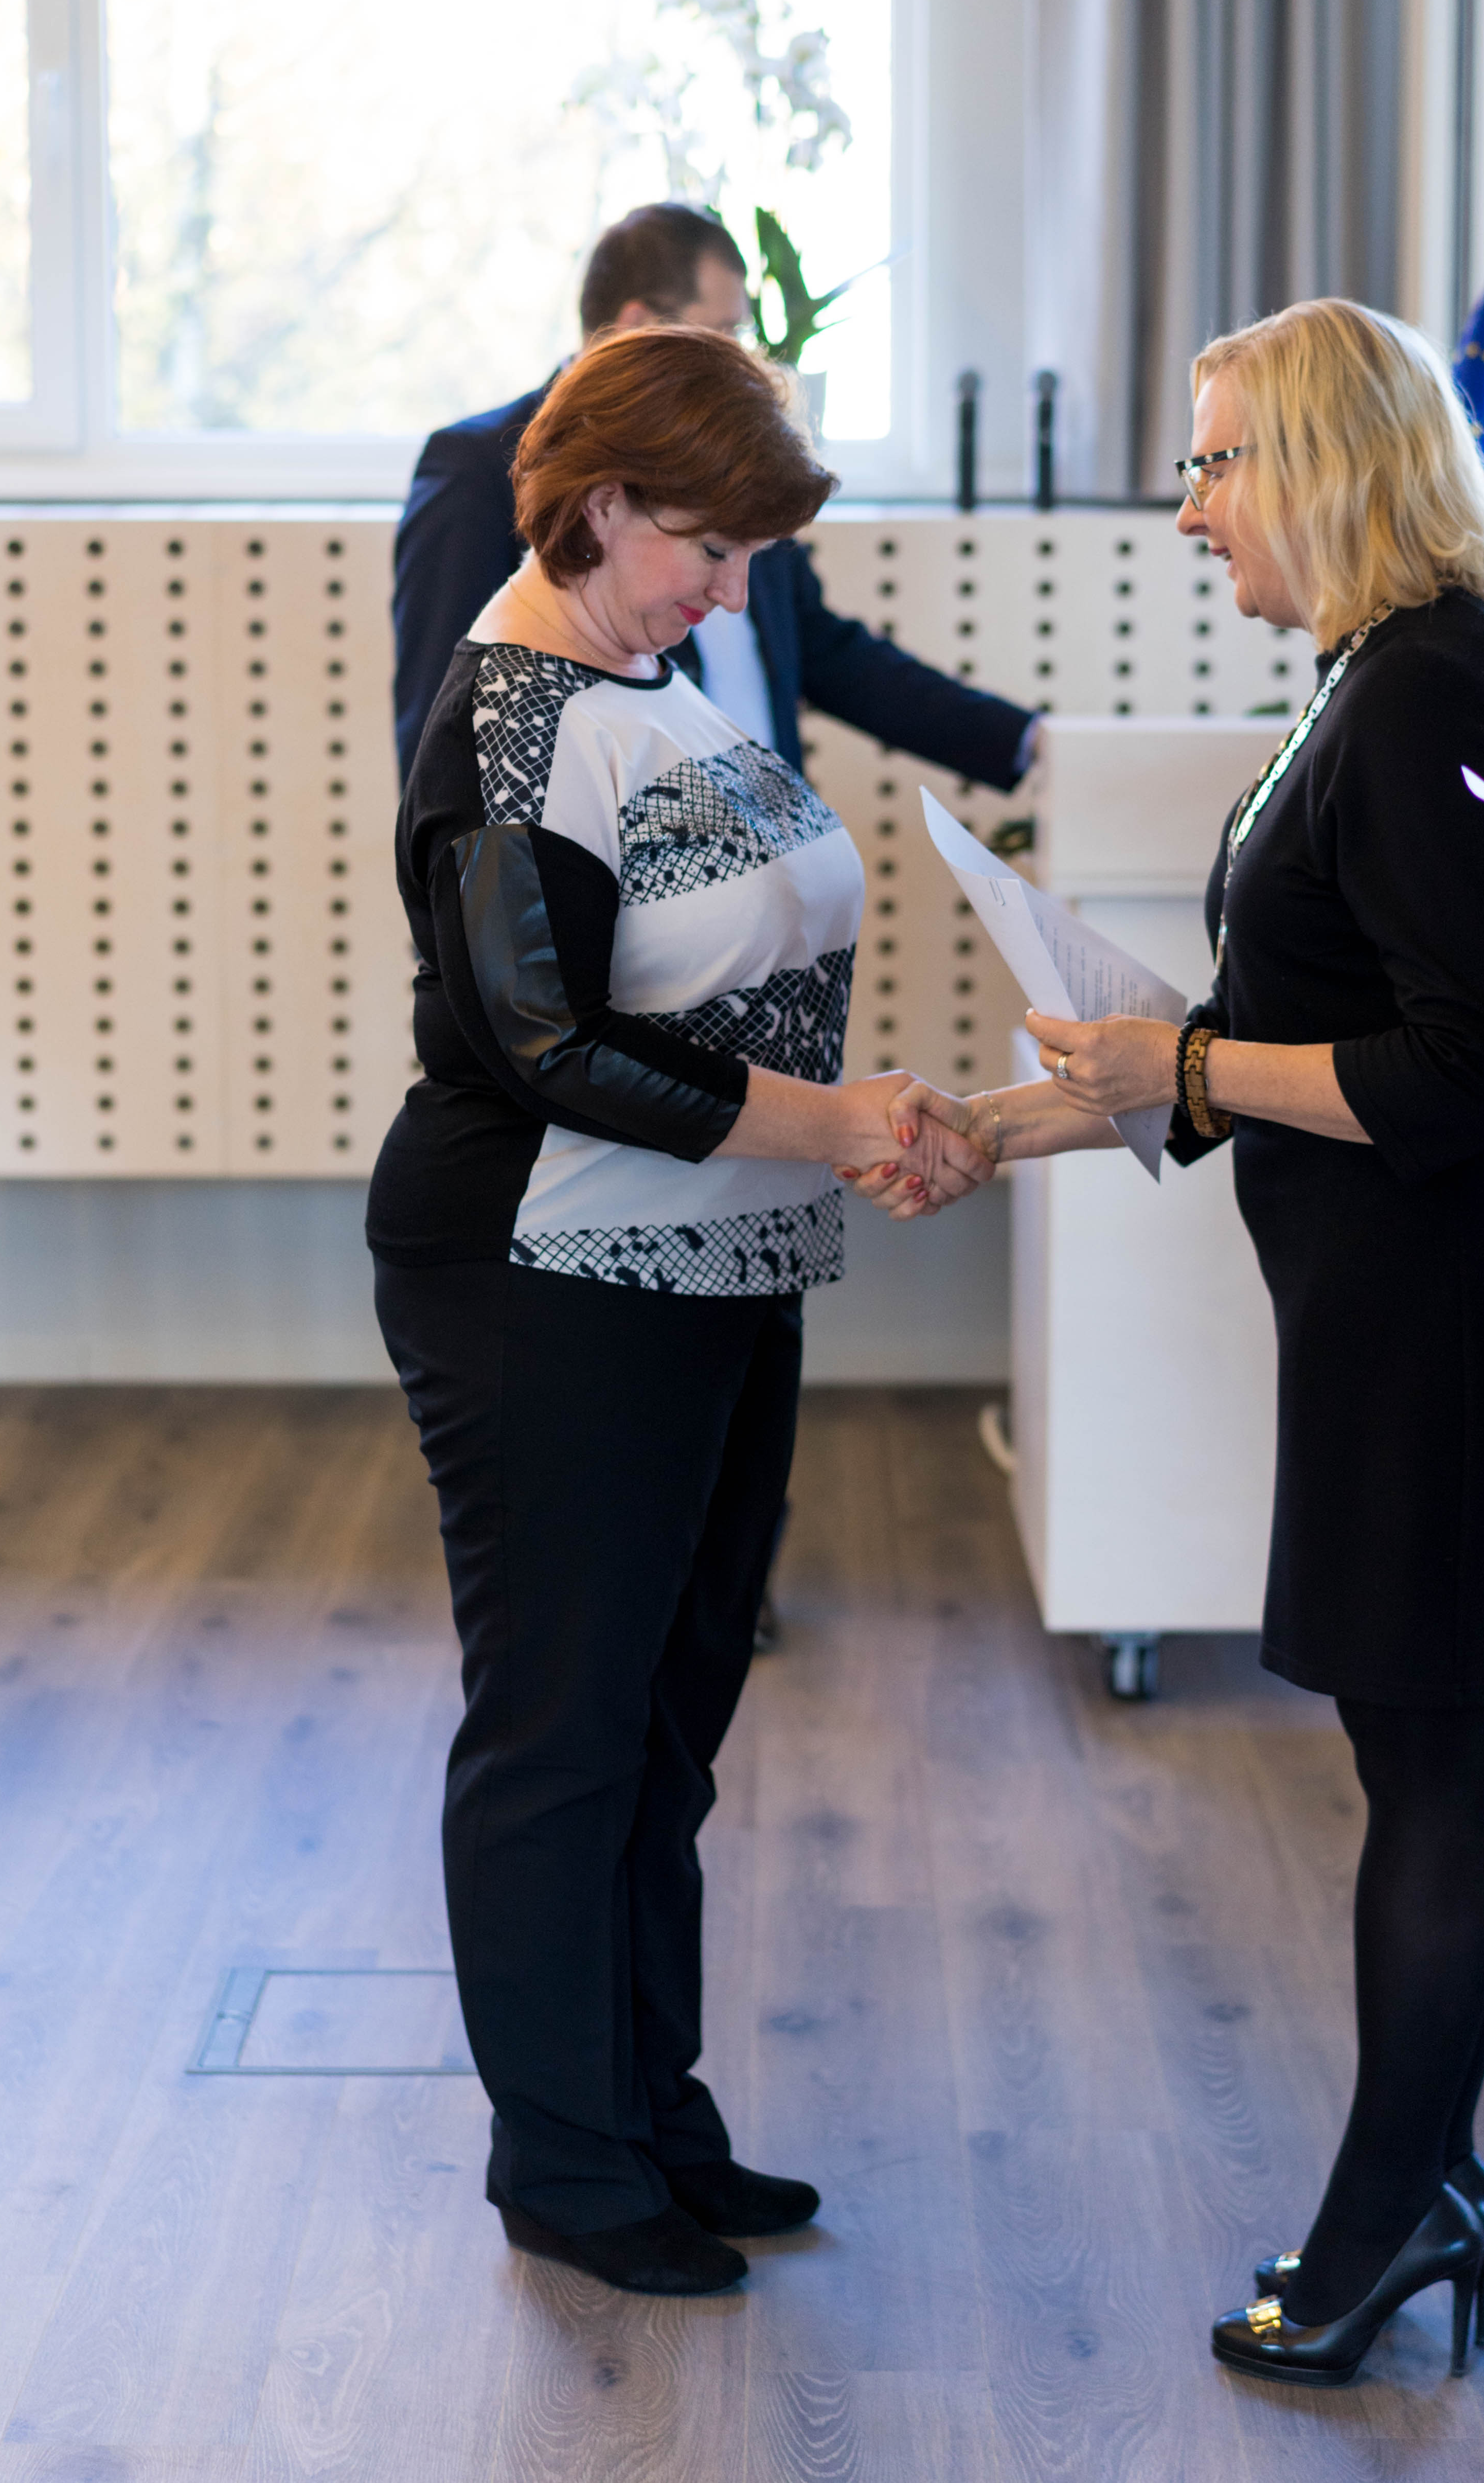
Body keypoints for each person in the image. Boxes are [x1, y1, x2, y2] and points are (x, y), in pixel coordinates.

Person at [872, 300, 1484, 2389]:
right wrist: (1007, 1121)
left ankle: (1387, 2216)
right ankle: (1427, 2187)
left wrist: (1181, 1061)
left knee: (1434, 1755)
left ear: (1322, 462)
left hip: (1436, 1323)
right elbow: (1281, 1040)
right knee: (1436, 1746)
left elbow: (1460, 1066)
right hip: (1397, 1311)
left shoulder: (1428, 685)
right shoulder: (1378, 674)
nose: (1189, 509)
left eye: (1212, 463)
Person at [367, 327, 988, 2301]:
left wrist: (843, 1130)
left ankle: (651, 2113)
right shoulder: (510, 713)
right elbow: (539, 1042)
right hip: (547, 1269)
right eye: (707, 549)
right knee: (565, 1728)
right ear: (603, 502)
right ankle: (564, 2161)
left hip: (718, 1259)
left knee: (670, 1723)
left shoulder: (644, 668)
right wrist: (837, 1120)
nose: (732, 593)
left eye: (749, 558)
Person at [391, 199, 1040, 794]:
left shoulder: (736, 464)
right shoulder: (477, 468)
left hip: (773, 850)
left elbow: (825, 651)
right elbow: (446, 732)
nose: (743, 361)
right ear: (636, 326)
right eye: (724, 334)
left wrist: (1025, 741)